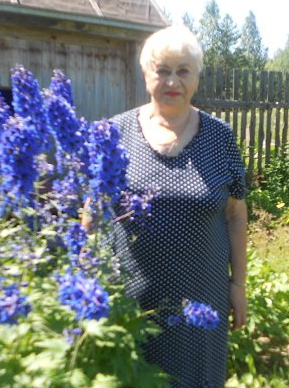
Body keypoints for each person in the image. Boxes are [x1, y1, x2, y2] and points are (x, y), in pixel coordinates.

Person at [106, 25, 248, 387]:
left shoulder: (220, 137)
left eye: (183, 71)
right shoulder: (114, 133)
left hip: (202, 300)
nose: (173, 81)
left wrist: (238, 285)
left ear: (197, 78)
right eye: (162, 70)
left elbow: (235, 214)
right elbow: (94, 209)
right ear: (145, 74)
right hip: (130, 302)